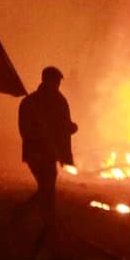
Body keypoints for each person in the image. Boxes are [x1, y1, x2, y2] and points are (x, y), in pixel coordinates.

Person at [17, 67, 78, 234]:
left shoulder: (60, 101)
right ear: (47, 80)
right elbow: (25, 129)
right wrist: (38, 137)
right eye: (56, 81)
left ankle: (27, 215)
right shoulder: (30, 102)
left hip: (51, 153)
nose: (58, 84)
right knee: (47, 187)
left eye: (58, 82)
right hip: (36, 152)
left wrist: (71, 128)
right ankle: (46, 221)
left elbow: (64, 125)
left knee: (47, 186)